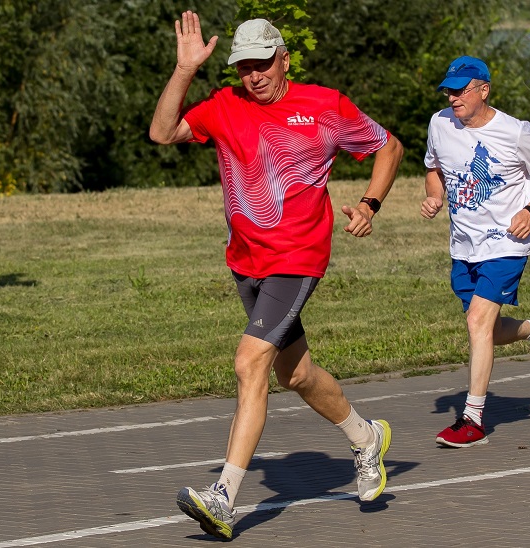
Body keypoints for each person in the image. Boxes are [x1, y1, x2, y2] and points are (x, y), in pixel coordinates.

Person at [150, 12, 404, 540]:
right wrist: (184, 70)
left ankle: (224, 496)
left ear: (284, 59)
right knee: (296, 374)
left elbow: (389, 146)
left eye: (263, 63)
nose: (254, 75)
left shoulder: (324, 106)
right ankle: (365, 438)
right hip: (247, 260)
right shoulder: (225, 106)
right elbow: (161, 132)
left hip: (298, 256)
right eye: (243, 66)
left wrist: (369, 202)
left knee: (249, 364)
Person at [421, 55, 530, 448]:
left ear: (483, 90)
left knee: (477, 324)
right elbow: (433, 168)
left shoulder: (518, 132)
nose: (453, 98)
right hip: (463, 243)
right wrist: (434, 197)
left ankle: (472, 419)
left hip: (507, 241)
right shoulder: (439, 124)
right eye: (448, 91)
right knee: (482, 325)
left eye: (461, 90)